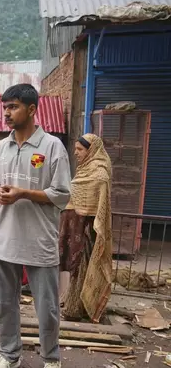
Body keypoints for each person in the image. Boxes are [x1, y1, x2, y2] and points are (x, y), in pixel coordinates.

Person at [0, 84, 71, 368]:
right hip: (4, 240)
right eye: (5, 107)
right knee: (6, 304)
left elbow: (61, 194)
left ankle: (51, 359)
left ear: (32, 109)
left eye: (13, 107)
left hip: (39, 240)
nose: (6, 113)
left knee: (46, 308)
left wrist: (24, 193)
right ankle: (9, 355)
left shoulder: (51, 147)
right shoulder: (0, 148)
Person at [59, 134, 113, 322]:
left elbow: (101, 209)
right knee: (73, 269)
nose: (75, 153)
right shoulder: (83, 170)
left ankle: (77, 309)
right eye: (75, 149)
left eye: (80, 149)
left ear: (91, 150)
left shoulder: (100, 174)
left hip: (87, 232)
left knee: (82, 268)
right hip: (74, 230)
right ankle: (74, 305)